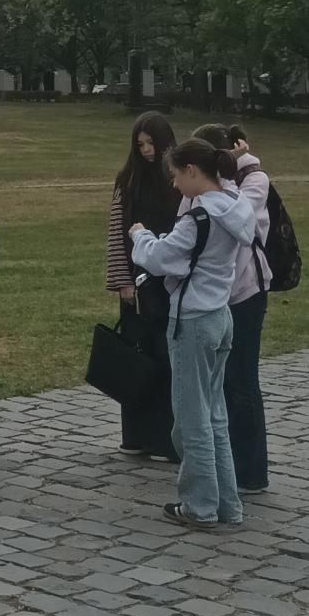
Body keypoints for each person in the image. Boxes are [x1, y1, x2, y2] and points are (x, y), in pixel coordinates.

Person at [127, 137, 257, 530]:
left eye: (175, 175)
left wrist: (140, 235)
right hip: (221, 315)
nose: (174, 184)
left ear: (191, 170)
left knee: (191, 421)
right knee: (215, 416)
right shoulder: (235, 204)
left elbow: (159, 258)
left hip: (194, 320)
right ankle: (227, 504)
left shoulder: (198, 218)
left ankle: (199, 506)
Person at [197, 124, 270, 494]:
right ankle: (222, 463)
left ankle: (251, 470)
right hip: (214, 295)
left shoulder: (254, 180)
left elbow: (233, 215)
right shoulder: (201, 189)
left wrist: (229, 168)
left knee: (241, 381)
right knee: (218, 383)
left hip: (246, 292)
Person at [106, 111, 182, 461]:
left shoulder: (176, 178)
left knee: (166, 360)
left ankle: (166, 439)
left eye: (152, 143)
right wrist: (122, 281)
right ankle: (136, 436)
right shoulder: (127, 179)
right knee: (137, 360)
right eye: (140, 145)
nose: (147, 150)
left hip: (168, 282)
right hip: (135, 284)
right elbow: (116, 233)